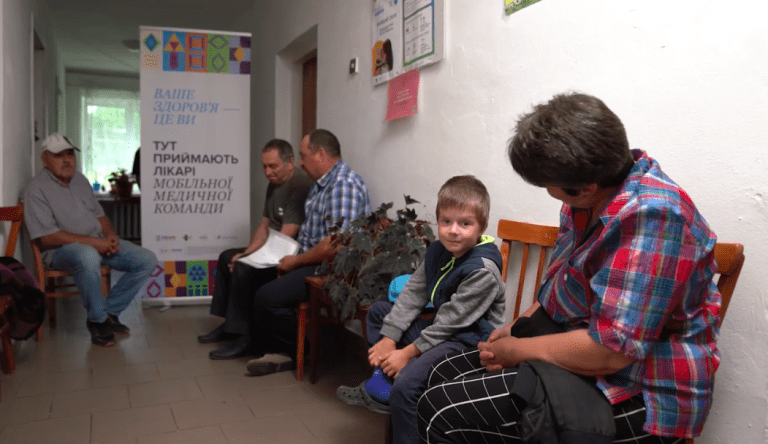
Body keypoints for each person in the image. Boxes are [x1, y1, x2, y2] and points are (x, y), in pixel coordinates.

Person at [417, 93, 721, 444]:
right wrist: (517, 327)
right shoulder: (588, 198)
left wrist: (517, 350)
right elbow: (562, 287)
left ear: (587, 187)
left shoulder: (655, 216)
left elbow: (611, 351)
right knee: (438, 373)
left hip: (643, 384)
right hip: (581, 346)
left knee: (441, 410)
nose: (552, 195)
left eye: (553, 188)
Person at [337, 176, 506, 444]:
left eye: (465, 223)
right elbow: (413, 293)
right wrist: (390, 338)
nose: (453, 230)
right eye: (446, 221)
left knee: (407, 383)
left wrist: (406, 353)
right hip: (442, 330)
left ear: (481, 226)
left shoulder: (483, 270)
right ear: (437, 221)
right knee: (379, 312)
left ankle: (397, 395)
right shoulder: (438, 251)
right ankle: (383, 386)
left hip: (469, 340)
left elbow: (452, 322)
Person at [244, 129, 371, 375]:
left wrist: (295, 261)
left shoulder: (342, 186)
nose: (300, 162)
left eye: (303, 156)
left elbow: (336, 245)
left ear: (320, 154)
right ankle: (265, 344)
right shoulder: (322, 184)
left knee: (267, 297)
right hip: (310, 258)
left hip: (329, 268)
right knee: (253, 275)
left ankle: (295, 350)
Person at [23, 133, 157, 346]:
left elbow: (100, 216)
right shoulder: (36, 189)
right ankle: (98, 321)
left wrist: (110, 236)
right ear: (44, 160)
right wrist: (96, 244)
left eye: (70, 154)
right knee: (86, 255)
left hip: (98, 244)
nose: (67, 160)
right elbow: (47, 237)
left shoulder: (80, 180)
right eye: (59, 155)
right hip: (61, 252)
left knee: (146, 259)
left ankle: (110, 311)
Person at [199, 139, 313, 360]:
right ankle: (229, 325)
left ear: (290, 163)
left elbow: (287, 233)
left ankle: (245, 338)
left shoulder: (299, 185)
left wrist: (250, 259)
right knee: (228, 257)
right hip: (273, 246)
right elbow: (264, 225)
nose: (267, 172)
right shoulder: (274, 183)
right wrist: (247, 253)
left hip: (289, 253)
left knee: (243, 267)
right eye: (264, 166)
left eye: (273, 166)